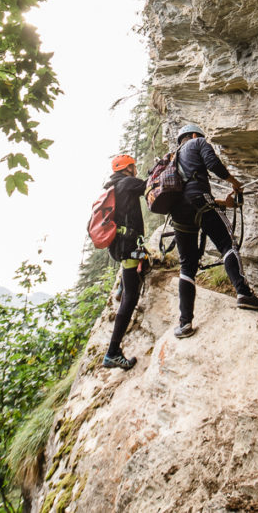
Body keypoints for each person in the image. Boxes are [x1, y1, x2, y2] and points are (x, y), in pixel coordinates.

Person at [167, 124, 258, 341]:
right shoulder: (198, 142)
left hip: (178, 212)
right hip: (200, 201)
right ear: (194, 135)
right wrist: (235, 183)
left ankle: (185, 323)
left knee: (187, 265)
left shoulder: (172, 158)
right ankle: (244, 293)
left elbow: (188, 191)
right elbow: (213, 165)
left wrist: (224, 203)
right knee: (227, 243)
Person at [101, 154, 147, 370]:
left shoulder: (114, 185)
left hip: (120, 244)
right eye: (134, 166)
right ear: (128, 168)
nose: (136, 169)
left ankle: (120, 288)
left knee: (144, 263)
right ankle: (113, 352)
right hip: (127, 245)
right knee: (132, 296)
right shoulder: (128, 183)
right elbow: (149, 186)